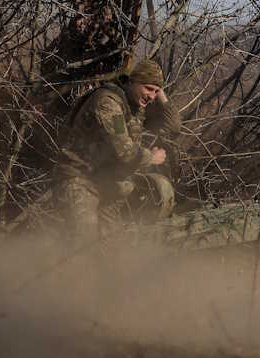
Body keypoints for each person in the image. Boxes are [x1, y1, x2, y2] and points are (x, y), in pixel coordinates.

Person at [51, 59, 180, 242]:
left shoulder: (135, 106)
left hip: (108, 184)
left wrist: (160, 92)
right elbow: (125, 152)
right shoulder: (108, 103)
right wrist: (151, 157)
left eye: (156, 91)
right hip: (79, 180)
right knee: (83, 243)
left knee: (111, 248)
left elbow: (172, 126)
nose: (151, 96)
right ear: (132, 81)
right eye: (148, 88)